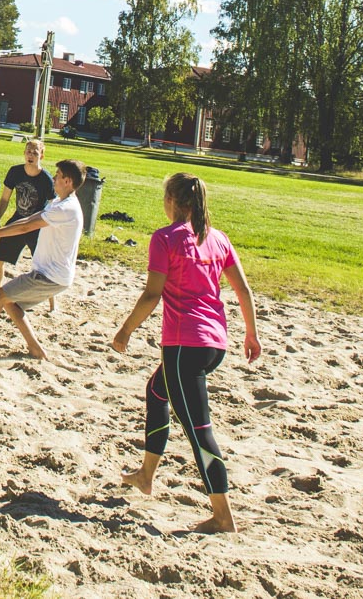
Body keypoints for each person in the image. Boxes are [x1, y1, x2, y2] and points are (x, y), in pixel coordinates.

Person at [111, 172, 263, 535]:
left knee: (199, 432)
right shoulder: (217, 238)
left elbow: (152, 295)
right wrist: (252, 334)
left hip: (184, 347)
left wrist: (124, 331)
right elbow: (243, 291)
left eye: (165, 198)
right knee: (156, 392)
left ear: (173, 203)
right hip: (215, 345)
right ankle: (146, 475)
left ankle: (223, 516)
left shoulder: (165, 238)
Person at [0, 159, 85, 361]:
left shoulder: (66, 208)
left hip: (49, 276)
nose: (54, 178)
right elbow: (27, 220)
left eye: (57, 175)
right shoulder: (59, 203)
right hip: (54, 275)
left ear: (67, 180)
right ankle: (36, 350)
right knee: (10, 303)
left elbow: (26, 228)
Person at [0, 138, 54, 304]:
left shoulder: (46, 179)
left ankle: (52, 303)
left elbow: (54, 208)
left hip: (36, 224)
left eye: (35, 152)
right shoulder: (15, 172)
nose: (31, 155)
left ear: (42, 156)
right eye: (28, 151)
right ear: (24, 153)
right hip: (18, 221)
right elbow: (4, 199)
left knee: (44, 269)